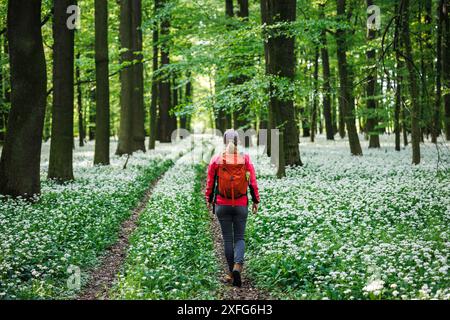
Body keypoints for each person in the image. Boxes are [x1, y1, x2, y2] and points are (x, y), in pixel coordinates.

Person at [205, 129, 260, 287]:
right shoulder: (245, 159)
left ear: (224, 141)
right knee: (240, 238)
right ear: (238, 142)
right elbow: (252, 182)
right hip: (241, 204)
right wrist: (256, 200)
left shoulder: (217, 159)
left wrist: (209, 199)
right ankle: (237, 266)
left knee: (228, 239)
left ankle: (230, 273)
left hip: (222, 204)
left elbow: (210, 182)